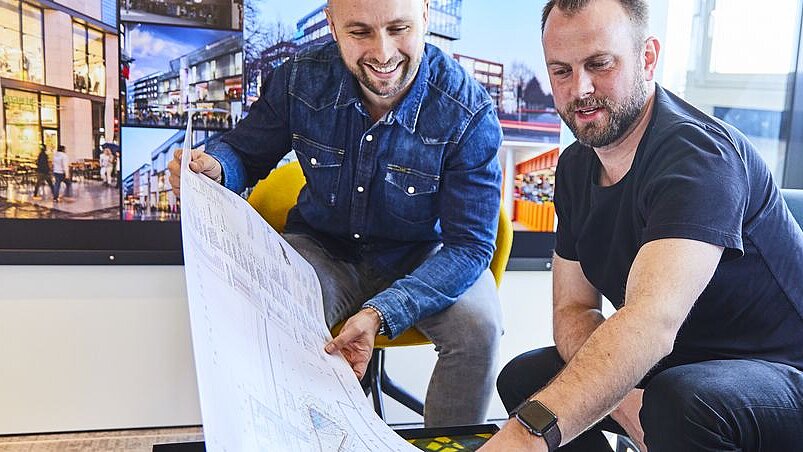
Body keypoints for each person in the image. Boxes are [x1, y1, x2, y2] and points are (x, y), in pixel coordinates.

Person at [482, 1, 803, 451]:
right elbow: (573, 309)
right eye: (561, 71)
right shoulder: (574, 167)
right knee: (527, 380)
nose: (580, 89)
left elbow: (651, 322)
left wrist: (526, 437)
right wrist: (623, 401)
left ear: (647, 58)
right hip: (678, 365)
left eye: (599, 64)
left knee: (678, 402)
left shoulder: (698, 158)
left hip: (781, 372)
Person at [168, 0, 503, 427]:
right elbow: (243, 153)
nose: (383, 53)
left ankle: (448, 446)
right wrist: (215, 169)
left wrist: (381, 312)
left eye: (399, 29)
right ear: (331, 24)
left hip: (424, 257)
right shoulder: (299, 79)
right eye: (360, 32)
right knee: (262, 316)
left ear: (425, 16)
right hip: (322, 248)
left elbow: (470, 247)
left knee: (479, 331)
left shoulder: (467, 109)